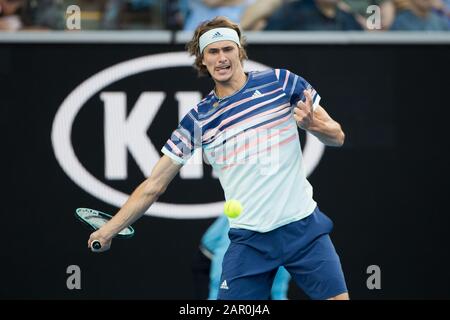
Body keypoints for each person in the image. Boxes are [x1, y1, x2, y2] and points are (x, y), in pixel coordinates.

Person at [88, 16, 348, 300]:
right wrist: (110, 229)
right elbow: (154, 184)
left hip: (303, 229)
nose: (221, 58)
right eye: (213, 51)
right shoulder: (198, 120)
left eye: (228, 49)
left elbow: (337, 136)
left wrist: (314, 126)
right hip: (249, 241)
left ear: (240, 52)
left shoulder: (282, 82)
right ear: (203, 60)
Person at [194, 214, 291, 299]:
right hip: (209, 261)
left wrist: (279, 295)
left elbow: (280, 263)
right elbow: (219, 258)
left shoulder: (280, 230)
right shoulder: (239, 231)